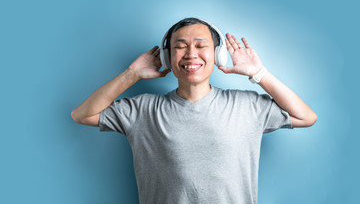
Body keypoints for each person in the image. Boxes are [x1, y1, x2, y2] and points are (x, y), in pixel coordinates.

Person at [71, 17, 317, 204]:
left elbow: (306, 116)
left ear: (218, 55)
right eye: (180, 46)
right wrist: (131, 75)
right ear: (168, 58)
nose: (191, 54)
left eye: (201, 45)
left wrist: (259, 74)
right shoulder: (143, 110)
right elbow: (82, 114)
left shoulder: (246, 106)